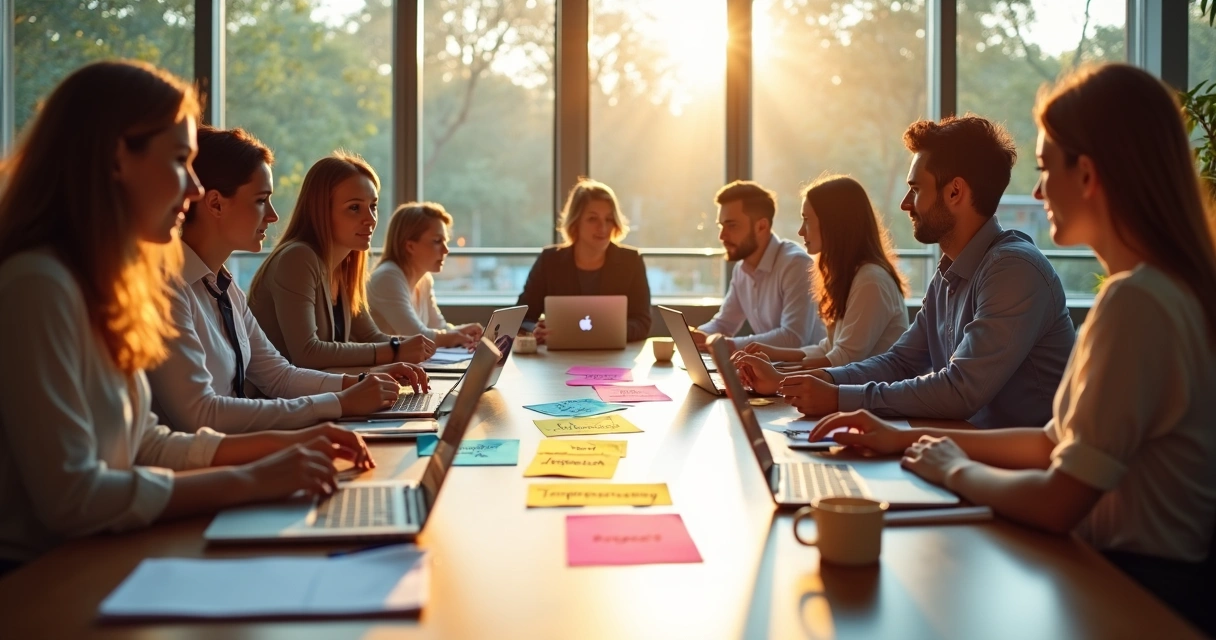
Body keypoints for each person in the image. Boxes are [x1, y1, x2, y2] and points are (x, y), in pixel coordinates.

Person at [809, 63, 1216, 634]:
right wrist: (902, 437)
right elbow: (1055, 442)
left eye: (1048, 167)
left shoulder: (1138, 301)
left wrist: (954, 469)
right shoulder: (1156, 290)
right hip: (1116, 571)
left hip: (1135, 591)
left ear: (1090, 175)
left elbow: (1058, 499)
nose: (1038, 190)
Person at [0, 60, 374, 572]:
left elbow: (147, 442)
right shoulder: (38, 285)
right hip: (42, 580)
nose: (195, 190)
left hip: (100, 555)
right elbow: (74, 497)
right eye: (180, 161)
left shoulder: (100, 286)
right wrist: (253, 478)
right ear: (115, 159)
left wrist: (289, 445)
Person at [778, 115, 1075, 428]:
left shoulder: (1013, 270)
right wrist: (812, 380)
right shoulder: (950, 273)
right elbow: (901, 361)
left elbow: (960, 390)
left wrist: (839, 397)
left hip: (1016, 467)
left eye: (916, 189)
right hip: (964, 450)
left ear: (955, 192)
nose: (906, 204)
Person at [148, 126, 428, 434]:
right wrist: (340, 402)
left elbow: (280, 375)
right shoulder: (167, 289)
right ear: (215, 204)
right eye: (260, 200)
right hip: (207, 465)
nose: (272, 215)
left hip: (243, 445)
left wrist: (358, 384)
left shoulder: (224, 289)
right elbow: (202, 415)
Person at [248, 153, 436, 369]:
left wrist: (407, 345)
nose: (371, 219)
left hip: (318, 396)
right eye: (355, 208)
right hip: (278, 400)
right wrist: (395, 350)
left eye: (373, 206)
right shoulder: (297, 258)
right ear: (321, 211)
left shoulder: (344, 265)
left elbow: (370, 336)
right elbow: (308, 353)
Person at [730, 174, 909, 393]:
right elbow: (829, 348)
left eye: (806, 219)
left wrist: (778, 377)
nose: (800, 231)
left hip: (875, 404)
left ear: (833, 223)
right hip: (854, 394)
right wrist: (771, 353)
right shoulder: (850, 276)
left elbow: (843, 360)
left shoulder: (871, 280)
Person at [690, 180, 826, 352]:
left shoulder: (796, 265)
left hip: (804, 373)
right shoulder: (742, 269)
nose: (722, 236)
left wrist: (729, 345)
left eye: (732, 225)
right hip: (772, 370)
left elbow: (793, 338)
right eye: (721, 226)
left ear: (761, 226)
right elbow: (724, 323)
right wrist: (696, 335)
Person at [516, 178, 651, 343]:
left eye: (608, 219)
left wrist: (606, 331)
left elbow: (642, 322)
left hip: (615, 358)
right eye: (593, 219)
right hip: (557, 360)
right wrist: (535, 330)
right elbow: (522, 318)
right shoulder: (549, 260)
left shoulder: (631, 261)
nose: (602, 228)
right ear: (576, 222)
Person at [367, 202, 483, 347]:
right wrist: (457, 337)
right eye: (437, 241)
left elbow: (439, 328)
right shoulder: (387, 278)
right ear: (410, 246)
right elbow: (416, 336)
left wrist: (462, 331)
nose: (446, 250)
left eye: (445, 241)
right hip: (377, 368)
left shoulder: (424, 279)